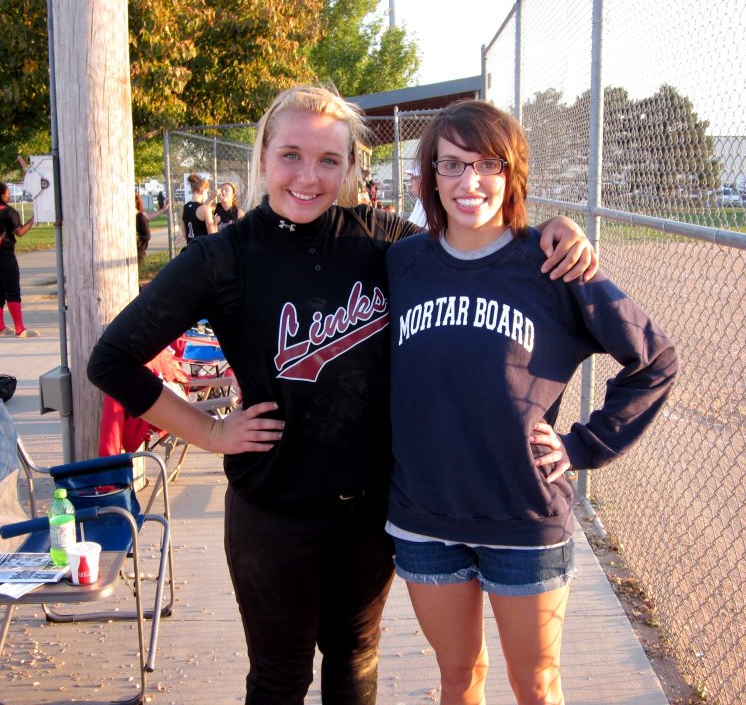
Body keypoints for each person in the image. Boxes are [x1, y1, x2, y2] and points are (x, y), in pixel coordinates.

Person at [88, 84, 597, 705]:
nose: (308, 176)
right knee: (280, 676)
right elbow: (112, 359)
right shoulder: (224, 257)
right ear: (263, 159)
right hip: (273, 509)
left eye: (329, 160)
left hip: (370, 508)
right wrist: (211, 431)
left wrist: (550, 228)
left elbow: (475, 236)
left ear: (352, 167)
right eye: (291, 156)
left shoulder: (384, 241)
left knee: (355, 661)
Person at [385, 100, 680, 704]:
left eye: (488, 164)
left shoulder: (553, 263)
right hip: (424, 514)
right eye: (451, 166)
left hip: (523, 515)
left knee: (536, 686)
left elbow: (654, 360)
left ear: (512, 172)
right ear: (429, 176)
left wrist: (582, 445)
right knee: (457, 677)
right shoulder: (402, 262)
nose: (469, 183)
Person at [0, 179, 37, 337]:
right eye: (8, 193)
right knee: (12, 289)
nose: (9, 195)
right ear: (2, 195)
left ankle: (0, 326)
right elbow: (20, 232)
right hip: (4, 253)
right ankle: (20, 329)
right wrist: (34, 218)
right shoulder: (8, 211)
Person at [135, 193, 170, 268]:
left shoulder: (140, 216)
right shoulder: (139, 215)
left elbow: (147, 236)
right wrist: (163, 209)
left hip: (139, 253)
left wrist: (136, 237)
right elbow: (151, 215)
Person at [181, 173, 216, 244]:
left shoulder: (185, 208)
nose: (207, 195)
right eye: (206, 192)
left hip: (190, 249)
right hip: (202, 250)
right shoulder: (205, 209)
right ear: (202, 190)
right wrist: (215, 223)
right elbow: (212, 237)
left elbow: (185, 235)